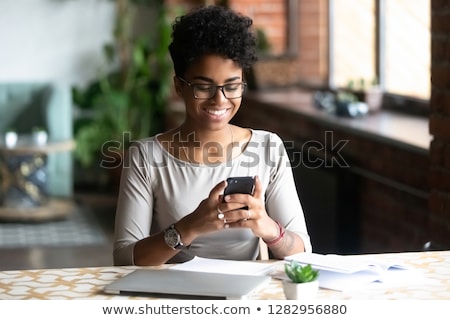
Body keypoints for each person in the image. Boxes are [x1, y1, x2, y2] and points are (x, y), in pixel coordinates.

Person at [113, 5, 312, 266]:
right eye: (203, 87)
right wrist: (189, 227)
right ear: (178, 86)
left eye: (231, 86)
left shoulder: (268, 148)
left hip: (245, 298)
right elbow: (124, 259)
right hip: (174, 299)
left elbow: (303, 252)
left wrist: (268, 228)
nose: (220, 99)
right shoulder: (145, 157)